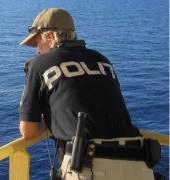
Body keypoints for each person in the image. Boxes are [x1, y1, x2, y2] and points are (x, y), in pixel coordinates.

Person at [18, 8, 161, 180]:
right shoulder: (101, 59)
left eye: (37, 43)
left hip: (90, 167)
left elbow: (28, 131)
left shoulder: (39, 64)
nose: (37, 51)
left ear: (49, 37)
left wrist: (47, 121)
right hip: (139, 165)